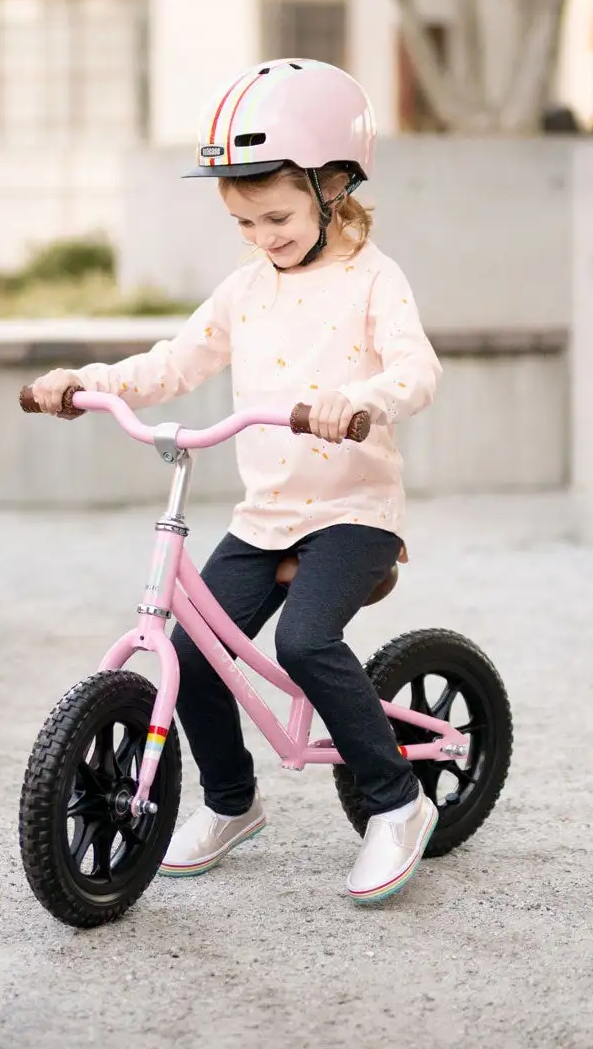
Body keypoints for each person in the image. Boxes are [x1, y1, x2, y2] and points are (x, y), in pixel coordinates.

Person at [26, 58, 443, 905]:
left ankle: (397, 805)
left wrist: (357, 400)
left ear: (334, 186)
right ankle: (231, 802)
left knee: (304, 644)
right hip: (267, 515)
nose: (262, 235)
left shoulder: (373, 279)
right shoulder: (245, 289)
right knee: (190, 653)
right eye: (244, 221)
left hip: (351, 512)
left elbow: (417, 370)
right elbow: (174, 363)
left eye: (278, 216)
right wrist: (88, 383)